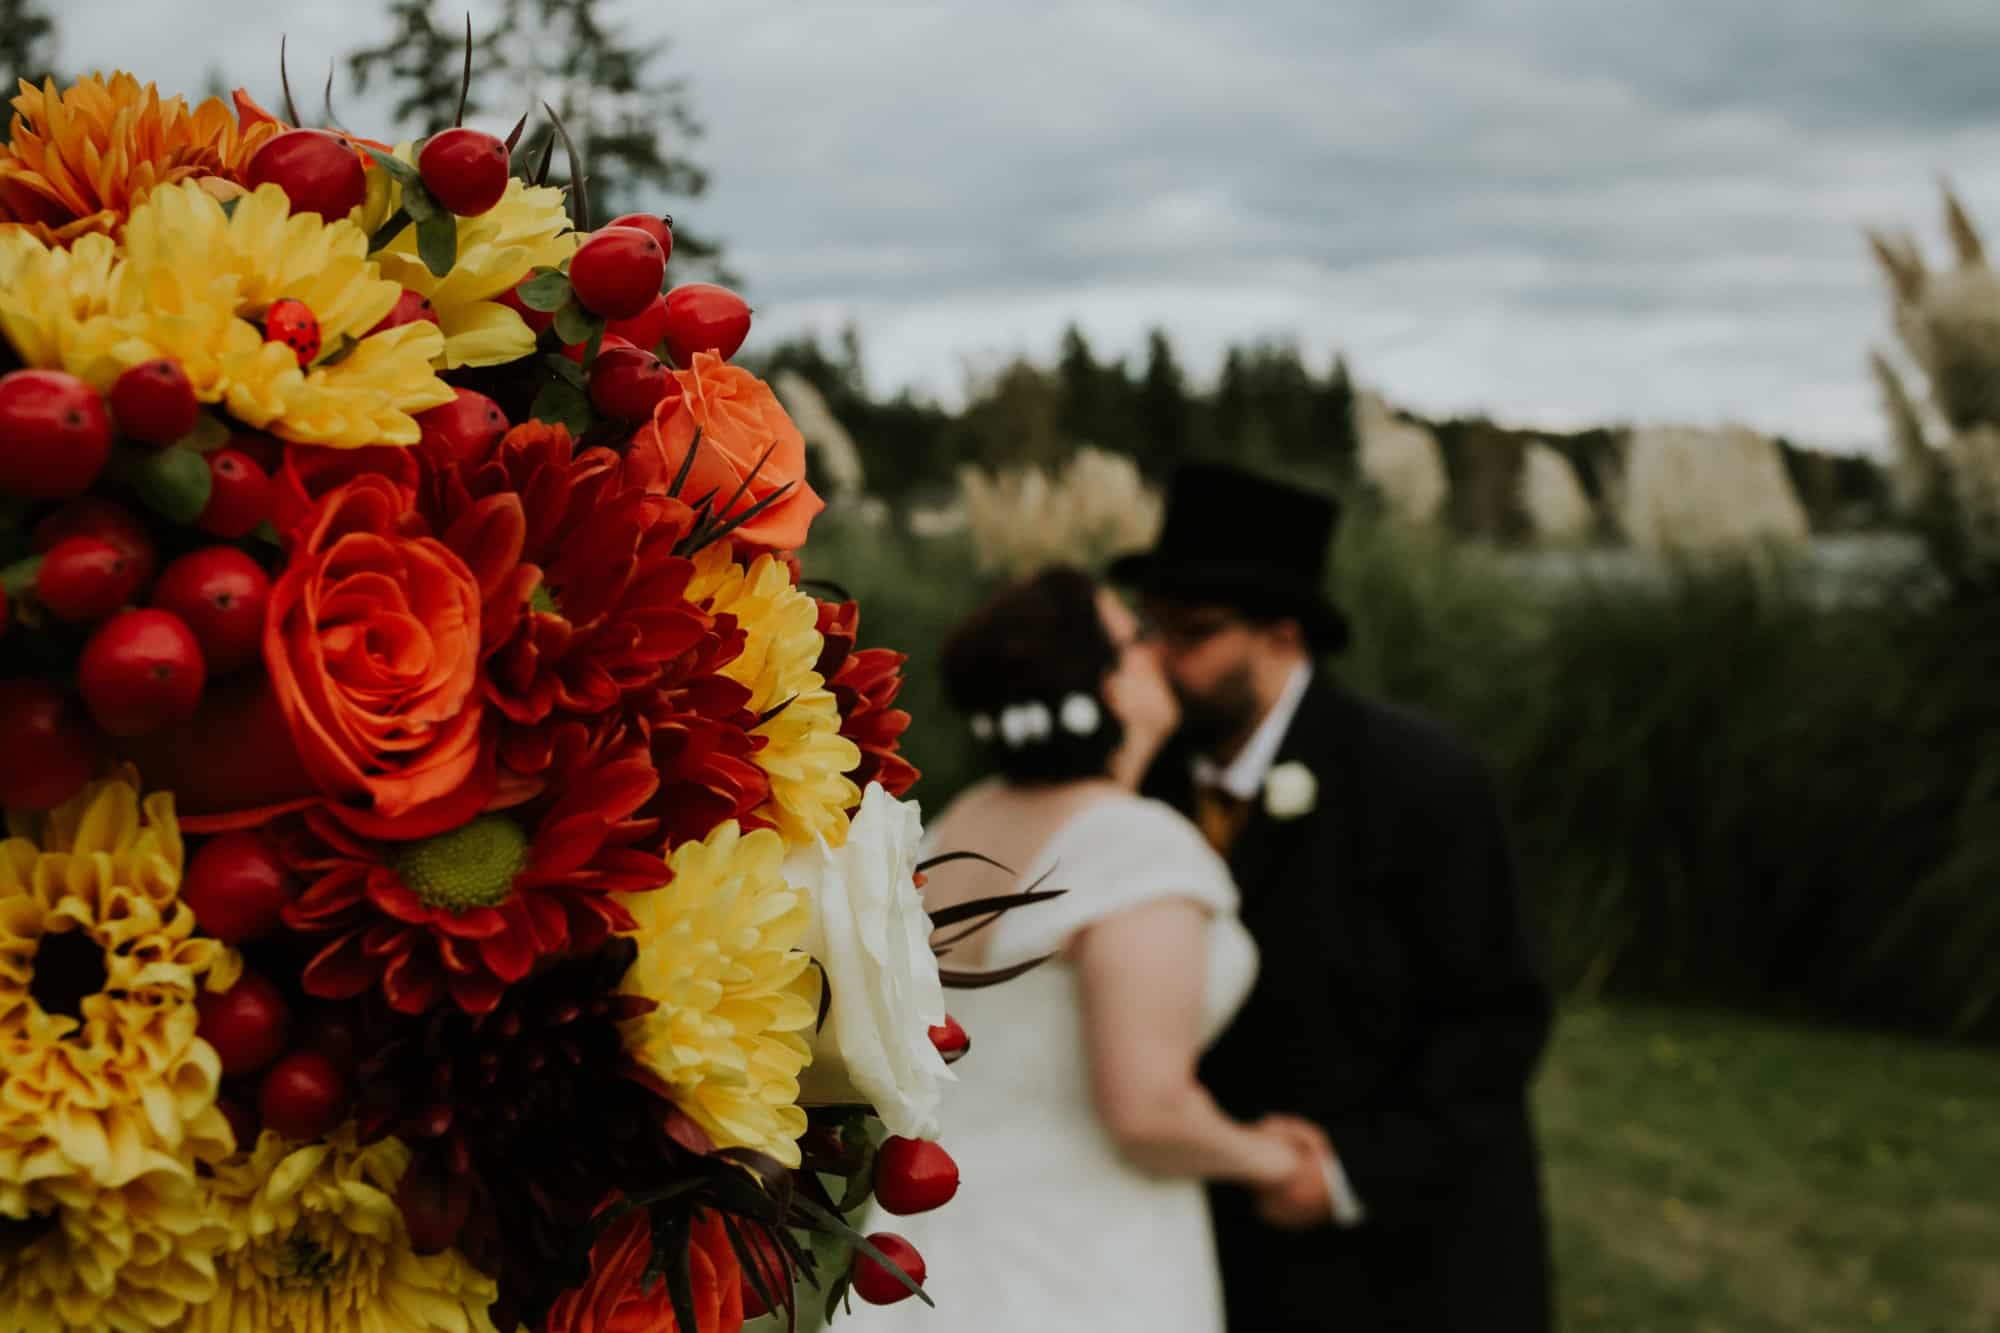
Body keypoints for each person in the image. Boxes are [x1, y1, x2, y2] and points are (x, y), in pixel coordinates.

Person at [1110, 462, 1554, 1332]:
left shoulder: (1422, 780)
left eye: (1190, 632)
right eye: (1148, 626)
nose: (1156, 657)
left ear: (1282, 635)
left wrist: (1348, 1172)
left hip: (1403, 1260)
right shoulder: (1142, 778)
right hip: (1204, 1244)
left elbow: (1498, 1019)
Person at [866, 567, 1329, 1333]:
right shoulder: (1134, 846)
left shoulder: (953, 826)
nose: (1158, 651)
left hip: (936, 1232)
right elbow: (1147, 1111)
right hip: (1084, 1253)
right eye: (1135, 639)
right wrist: (1276, 1160)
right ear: (1109, 686)